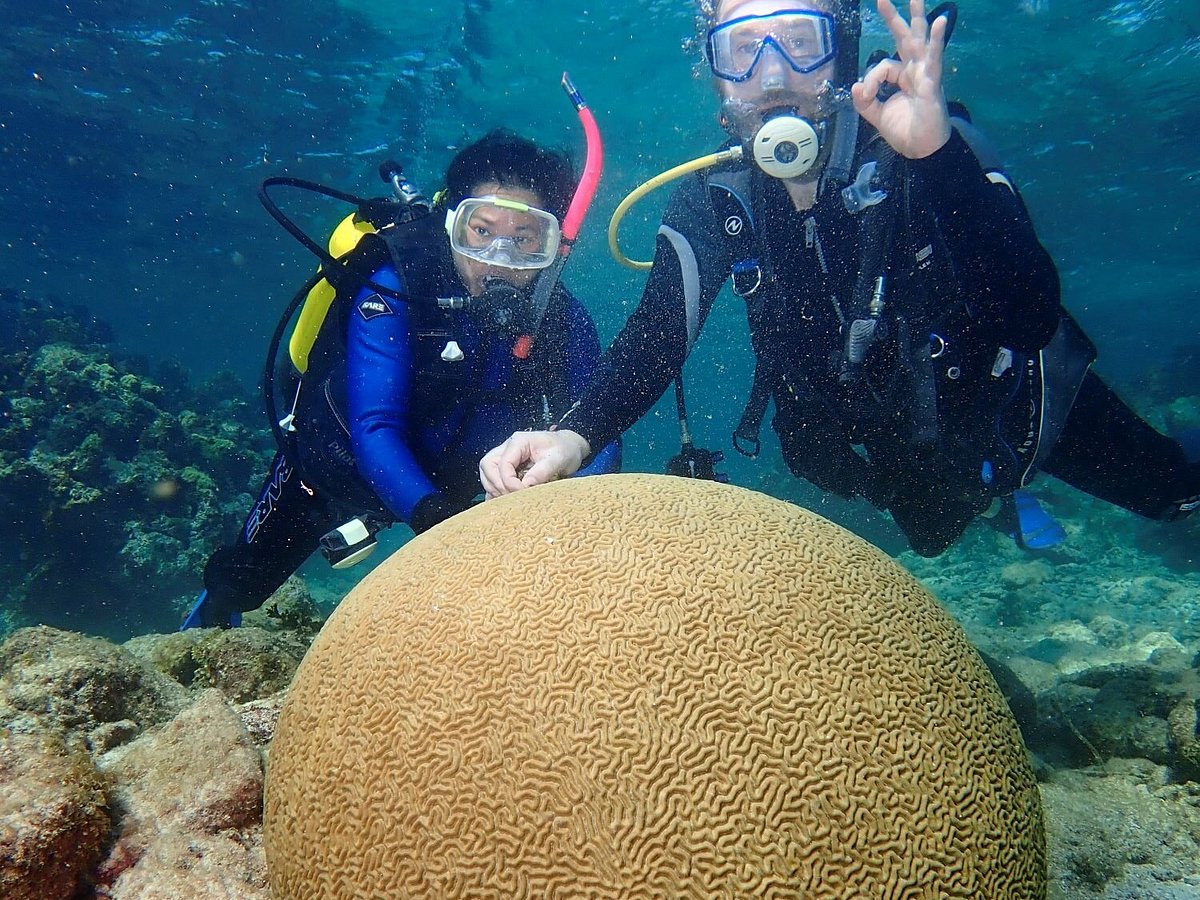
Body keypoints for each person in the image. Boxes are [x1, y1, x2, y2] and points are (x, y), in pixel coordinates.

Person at [479, 0, 1200, 556]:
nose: (770, 76)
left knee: (1177, 492)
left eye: (799, 43)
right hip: (893, 454)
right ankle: (1001, 507)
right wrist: (574, 436)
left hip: (1019, 410)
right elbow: (660, 333)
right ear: (715, 77)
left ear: (843, 47)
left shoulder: (922, 142)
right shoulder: (716, 195)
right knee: (932, 536)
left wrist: (938, 158)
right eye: (741, 51)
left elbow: (1030, 314)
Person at [184, 130, 620, 628]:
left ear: (553, 245)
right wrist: (440, 523)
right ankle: (206, 618)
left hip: (455, 494)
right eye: (481, 232)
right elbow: (374, 426)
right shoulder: (393, 286)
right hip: (334, 472)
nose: (499, 257)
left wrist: (575, 508)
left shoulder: (562, 322)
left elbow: (596, 426)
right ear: (450, 226)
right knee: (239, 584)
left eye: (524, 239)